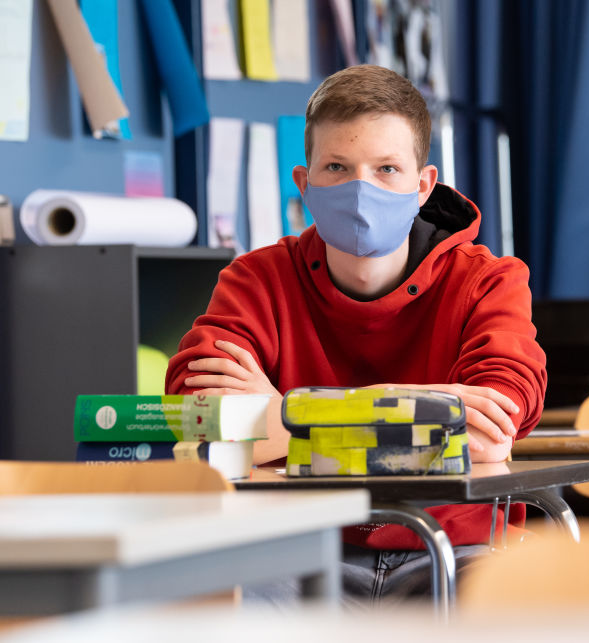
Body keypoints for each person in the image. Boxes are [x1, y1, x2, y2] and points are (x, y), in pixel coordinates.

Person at [165, 65, 547, 601]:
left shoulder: (489, 282)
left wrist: (280, 415)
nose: (360, 189)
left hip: (454, 554)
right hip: (291, 547)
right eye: (337, 167)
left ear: (422, 186)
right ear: (305, 183)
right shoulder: (258, 279)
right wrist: (418, 413)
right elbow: (198, 418)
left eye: (387, 168)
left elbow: (487, 433)